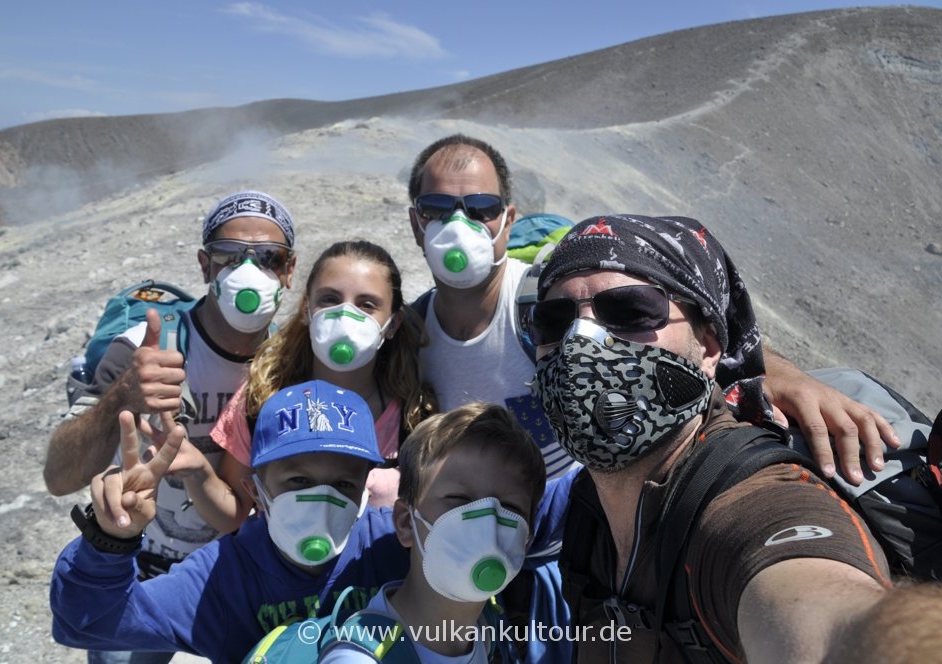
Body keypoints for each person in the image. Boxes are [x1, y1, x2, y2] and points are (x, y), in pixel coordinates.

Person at [529, 214, 942, 663]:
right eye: (554, 322)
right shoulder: (585, 512)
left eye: (629, 312)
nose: (580, 343)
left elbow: (831, 623)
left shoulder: (754, 505)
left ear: (708, 347)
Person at [406, 134, 900, 485]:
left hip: (582, 532)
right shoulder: (409, 337)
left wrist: (780, 375)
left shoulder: (547, 297)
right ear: (415, 224)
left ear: (507, 220)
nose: (459, 223)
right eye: (436, 208)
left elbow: (671, 325)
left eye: (480, 207)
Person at [43, 190, 297, 664]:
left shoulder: (290, 366)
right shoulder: (144, 347)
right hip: (138, 577)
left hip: (231, 580)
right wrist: (121, 394)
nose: (248, 272)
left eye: (268, 258)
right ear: (205, 266)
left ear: (289, 270)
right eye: (228, 257)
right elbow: (59, 477)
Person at [50, 380, 408, 663]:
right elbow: (87, 622)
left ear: (364, 489)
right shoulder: (222, 578)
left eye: (343, 484)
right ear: (255, 491)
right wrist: (110, 540)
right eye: (298, 481)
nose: (321, 499)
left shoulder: (391, 546)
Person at [190, 240, 437, 533]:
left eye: (366, 305)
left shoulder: (415, 417)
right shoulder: (262, 401)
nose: (346, 316)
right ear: (307, 309)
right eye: (330, 299)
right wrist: (195, 471)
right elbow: (235, 516)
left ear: (393, 323)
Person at [319, 402, 548, 663]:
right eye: (460, 499)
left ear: (525, 540)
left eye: (509, 507)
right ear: (406, 522)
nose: (487, 523)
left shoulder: (486, 630)